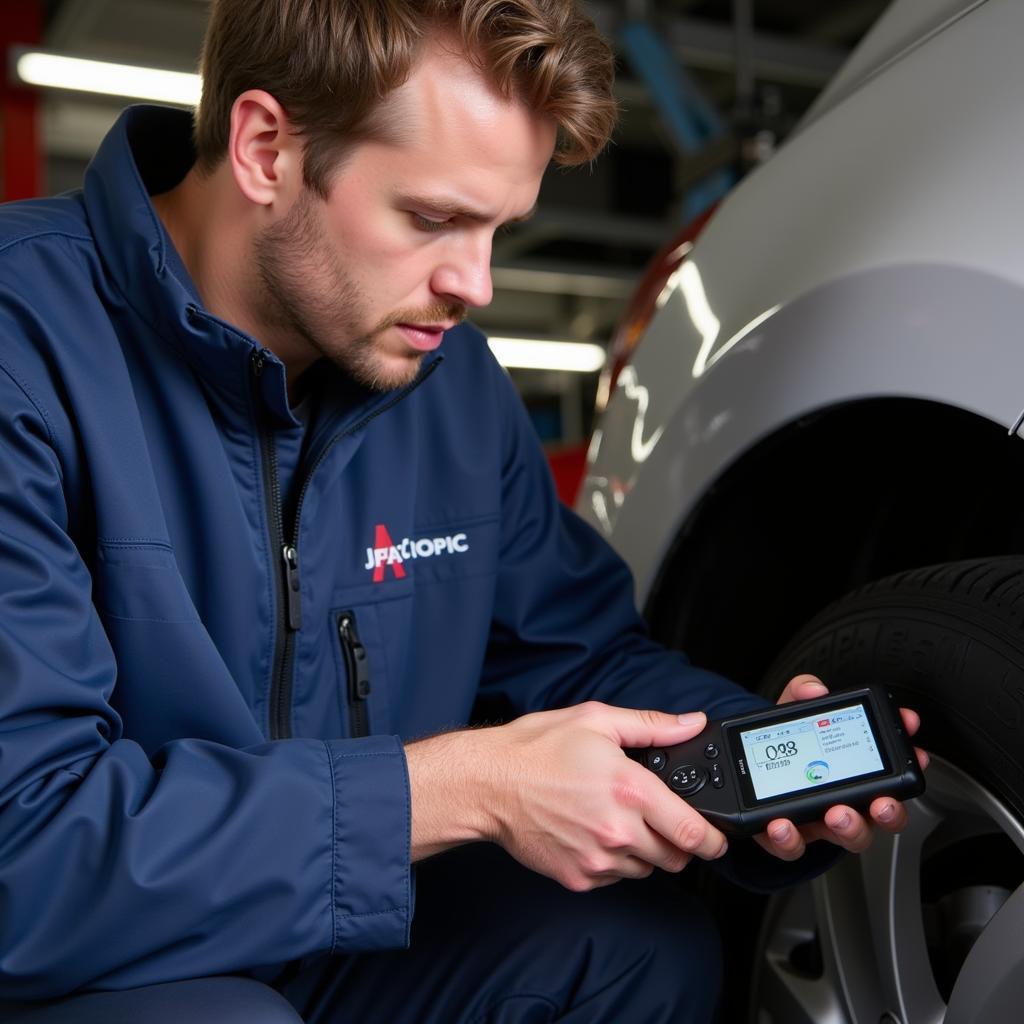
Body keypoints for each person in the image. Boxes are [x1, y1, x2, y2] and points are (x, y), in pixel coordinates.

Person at [0, 1, 926, 1021]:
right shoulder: (24, 345)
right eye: (432, 218)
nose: (473, 283)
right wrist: (463, 787)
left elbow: (578, 660)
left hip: (322, 925)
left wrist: (754, 757)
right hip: (83, 950)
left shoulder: (449, 385)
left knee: (632, 952)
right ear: (266, 147)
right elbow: (27, 856)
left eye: (498, 228)